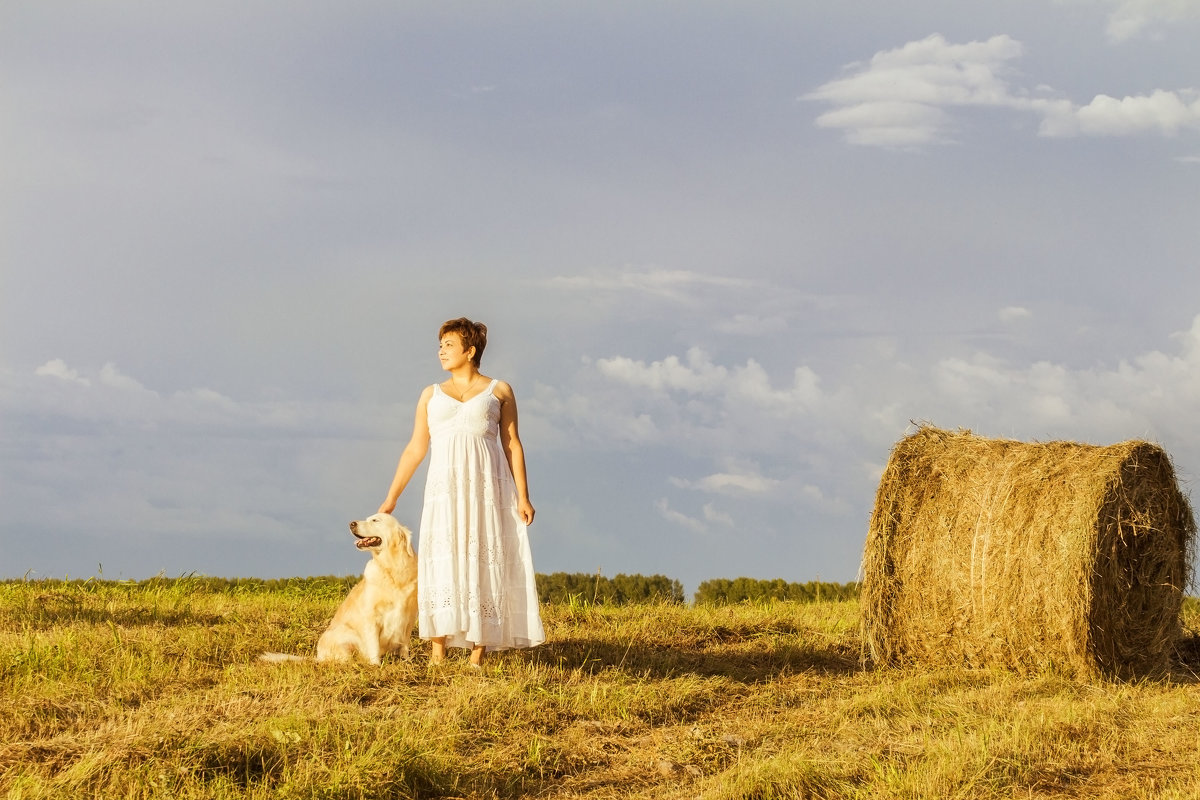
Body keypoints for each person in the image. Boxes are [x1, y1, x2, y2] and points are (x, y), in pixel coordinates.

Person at [378, 317, 545, 667]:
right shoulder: (431, 395)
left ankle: (477, 654)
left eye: (448, 345)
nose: (441, 351)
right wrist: (391, 498)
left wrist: (524, 495)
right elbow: (415, 448)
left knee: (485, 560)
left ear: (470, 351)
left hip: (486, 491)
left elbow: (512, 444)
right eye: (440, 345)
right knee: (443, 561)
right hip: (445, 493)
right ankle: (437, 651)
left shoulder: (499, 391)